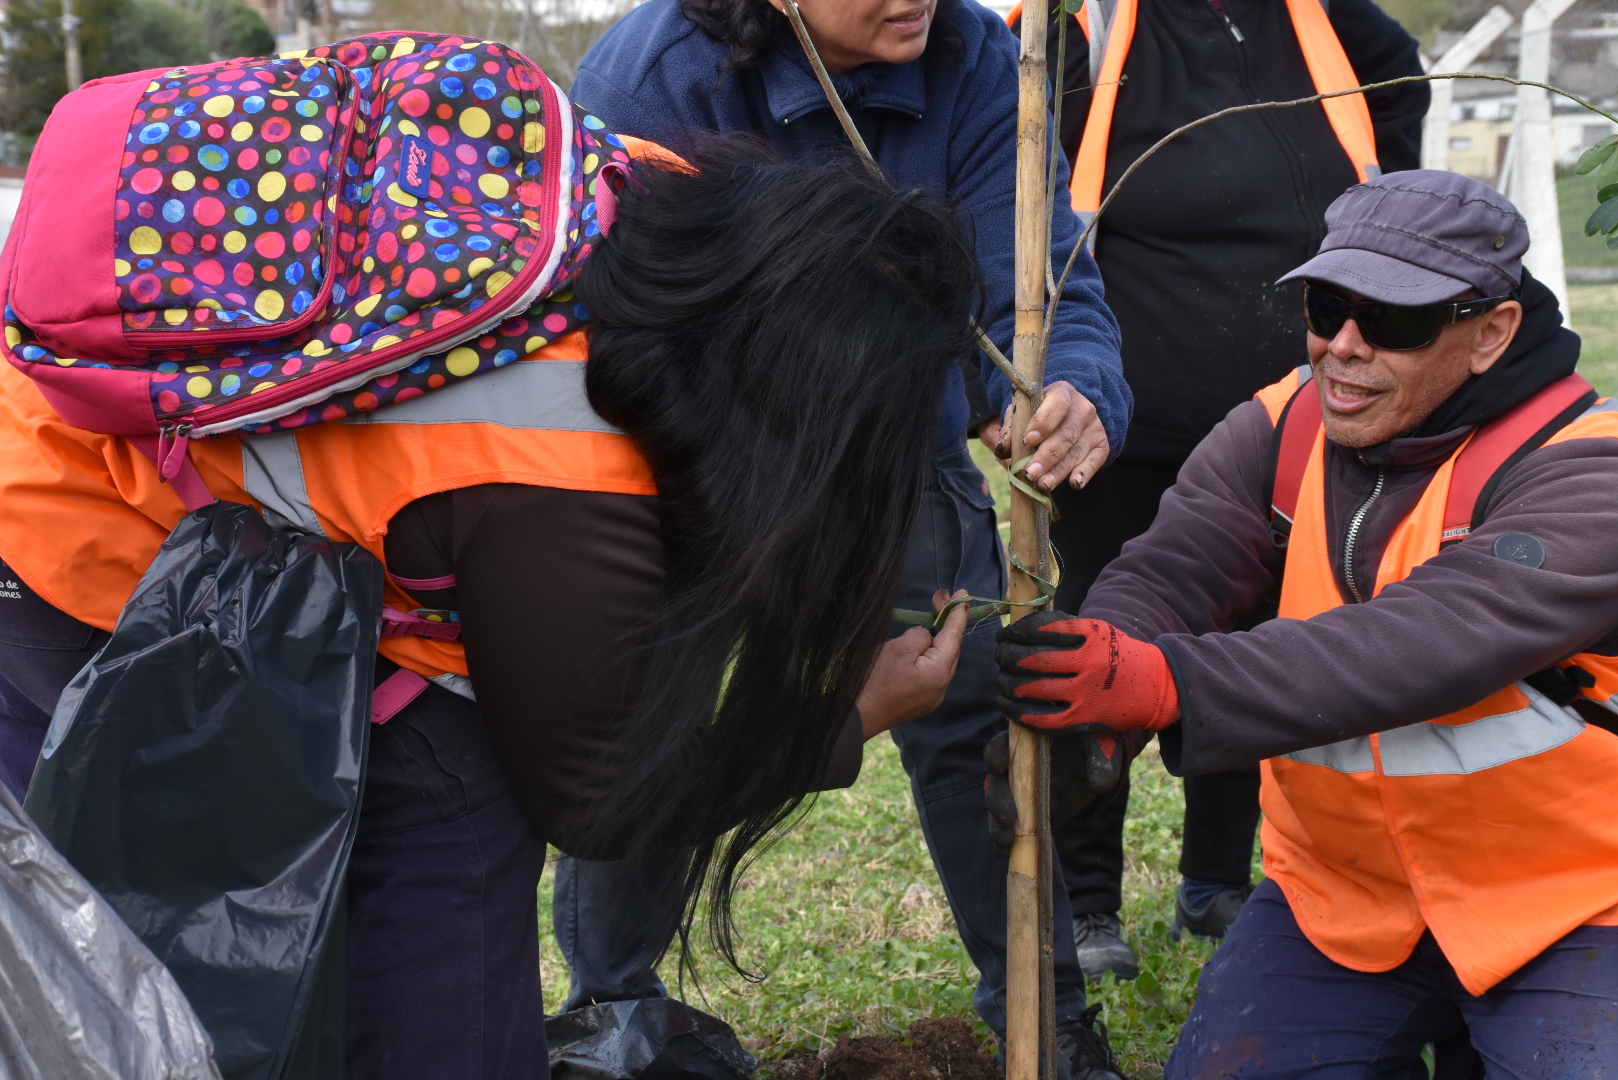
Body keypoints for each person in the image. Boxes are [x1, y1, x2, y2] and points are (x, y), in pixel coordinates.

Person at [0, 140, 982, 1078]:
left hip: (78, 429)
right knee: (186, 949)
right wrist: (846, 719)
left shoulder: (649, 193)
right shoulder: (559, 463)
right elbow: (600, 799)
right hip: (68, 521)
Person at [560, 0, 1131, 1072]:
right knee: (644, 713)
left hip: (894, 444)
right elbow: (606, 320)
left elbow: (1043, 282)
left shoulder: (976, 53)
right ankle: (610, 1014)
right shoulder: (650, 83)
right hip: (678, 455)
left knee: (972, 706)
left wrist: (1066, 387)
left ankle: (1046, 1023)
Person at [993, 170, 1618, 1072]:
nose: (1344, 348)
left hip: (1573, 906)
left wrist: (1164, 684)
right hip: (1340, 902)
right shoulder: (1282, 425)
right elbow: (1177, 564)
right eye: (1328, 308)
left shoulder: (1586, 467)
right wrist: (1093, 699)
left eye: (1394, 321)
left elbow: (1421, 642)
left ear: (1492, 333)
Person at [996, 0, 1428, 978]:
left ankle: (1217, 881)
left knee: (1263, 637)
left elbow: (1398, 89)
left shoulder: (1322, 19)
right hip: (1122, 428)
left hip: (1294, 427)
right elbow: (1011, 164)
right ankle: (1092, 901)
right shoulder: (1083, 27)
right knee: (1103, 635)